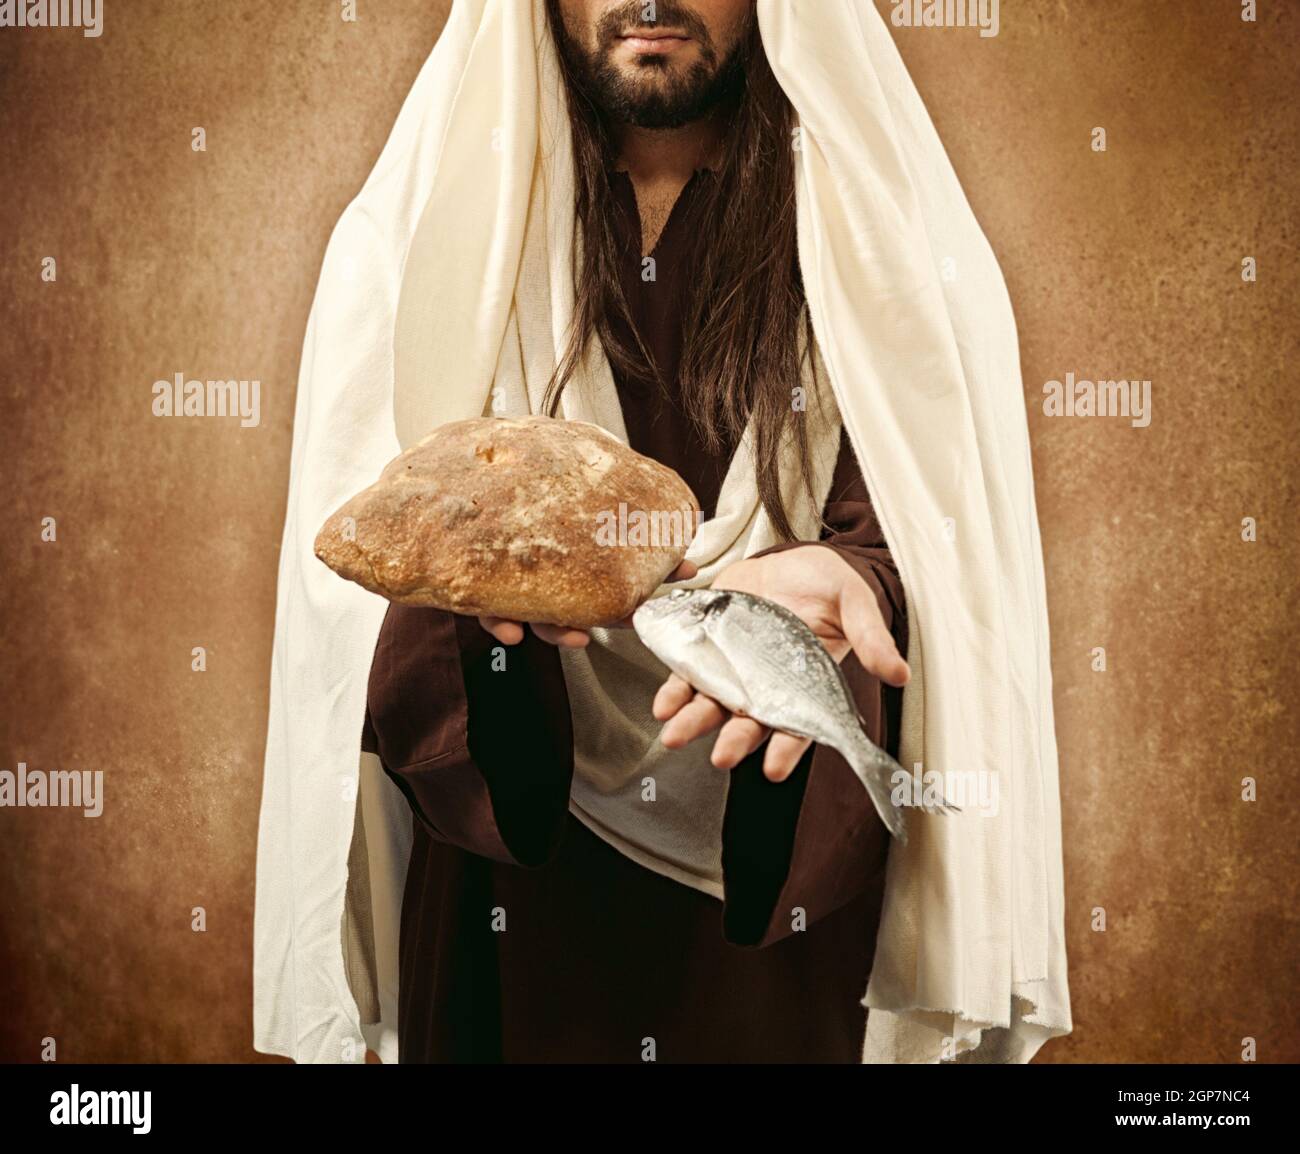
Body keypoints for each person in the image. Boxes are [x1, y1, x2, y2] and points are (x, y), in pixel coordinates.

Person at [254, 0, 1072, 1068]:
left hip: (773, 885)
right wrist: (475, 591)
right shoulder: (419, 232)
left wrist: (847, 575)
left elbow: (943, 530)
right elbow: (353, 570)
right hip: (505, 900)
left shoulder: (883, 234)